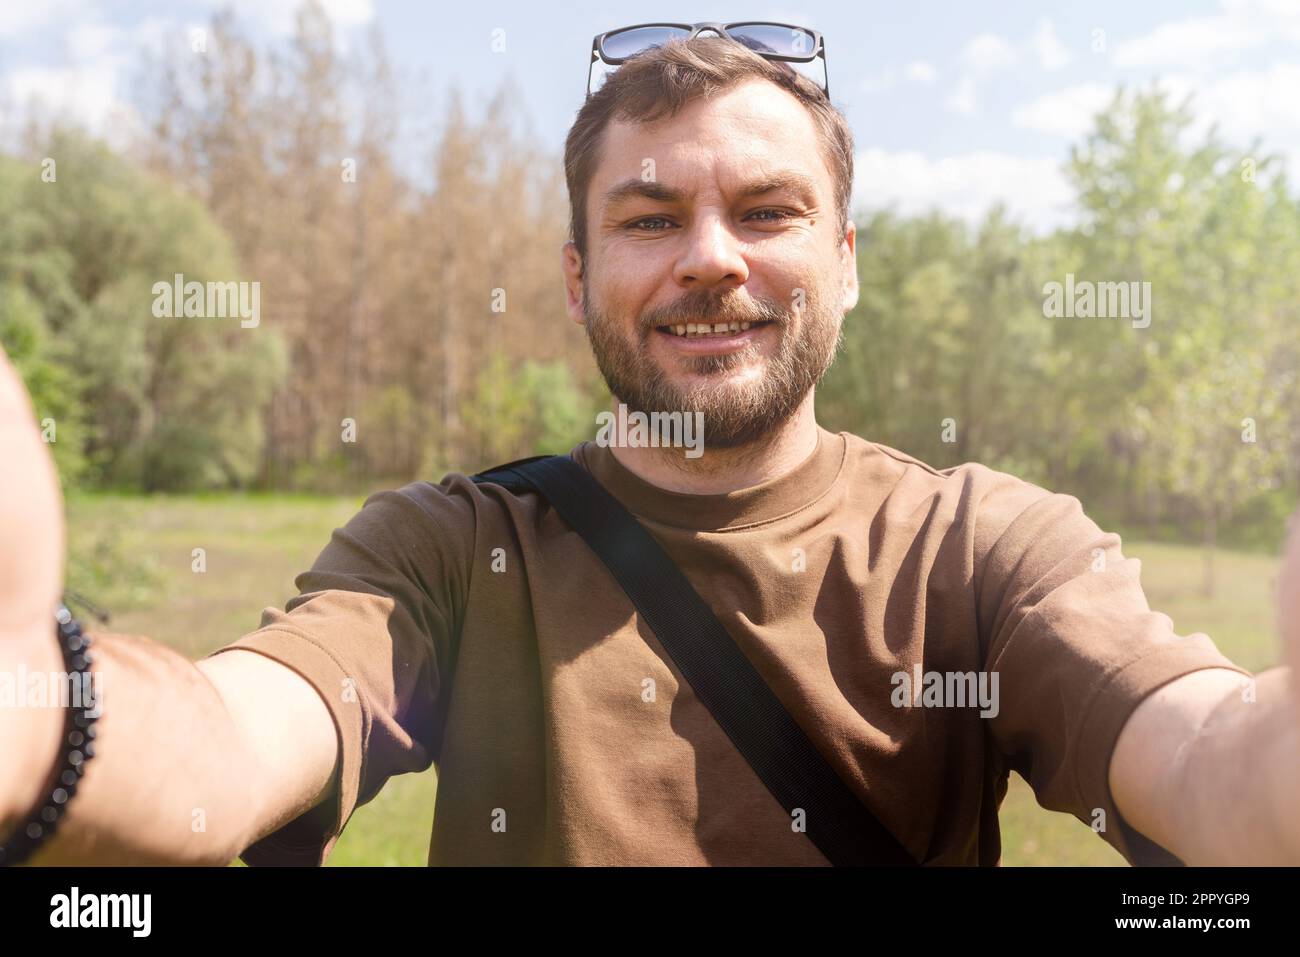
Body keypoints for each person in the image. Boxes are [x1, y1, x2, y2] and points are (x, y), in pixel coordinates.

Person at [2, 34, 1298, 867]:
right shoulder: (454, 548)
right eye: (649, 216)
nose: (711, 256)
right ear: (577, 278)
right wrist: (38, 713)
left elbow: (1202, 762)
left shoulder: (981, 549)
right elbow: (234, 740)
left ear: (845, 265)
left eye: (768, 209)